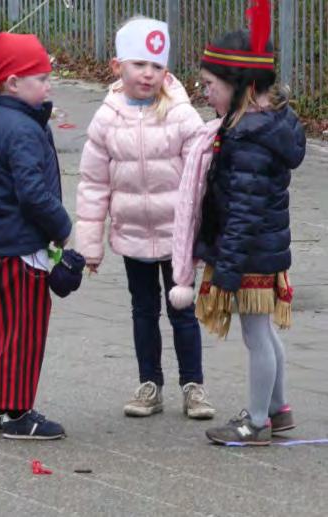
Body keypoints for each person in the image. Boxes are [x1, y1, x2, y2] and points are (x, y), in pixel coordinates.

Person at [170, 1, 306, 445]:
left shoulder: (249, 138)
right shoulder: (260, 126)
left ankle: (258, 422)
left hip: (250, 254)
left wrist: (225, 272)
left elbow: (243, 213)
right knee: (263, 332)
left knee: (256, 337)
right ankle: (279, 409)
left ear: (239, 85)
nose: (203, 92)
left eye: (209, 84)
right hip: (262, 250)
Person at [76, 17, 215, 419]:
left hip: (177, 234)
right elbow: (93, 184)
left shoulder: (181, 115)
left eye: (156, 66)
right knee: (143, 310)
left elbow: (202, 178)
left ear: (166, 72)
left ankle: (194, 385)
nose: (148, 73)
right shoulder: (106, 118)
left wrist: (204, 233)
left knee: (183, 311)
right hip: (132, 233)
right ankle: (149, 383)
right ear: (117, 66)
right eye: (139, 64)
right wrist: (89, 246)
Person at [0, 32, 72, 440]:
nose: (48, 85)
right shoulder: (23, 129)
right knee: (23, 330)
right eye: (41, 78)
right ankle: (17, 412)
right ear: (13, 83)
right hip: (20, 247)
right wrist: (63, 228)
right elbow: (32, 193)